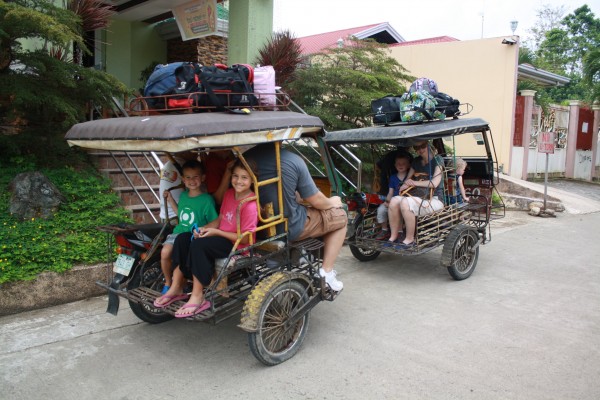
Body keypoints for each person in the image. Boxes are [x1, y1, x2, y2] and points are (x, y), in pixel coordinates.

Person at [154, 158, 258, 318]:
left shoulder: (250, 204)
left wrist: (216, 233)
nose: (238, 181)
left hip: (236, 244)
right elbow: (221, 218)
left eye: (244, 177)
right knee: (183, 238)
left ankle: (198, 296)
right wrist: (205, 228)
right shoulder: (230, 194)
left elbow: (246, 239)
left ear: (252, 179)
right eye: (236, 176)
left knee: (199, 245)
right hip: (220, 238)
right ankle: (177, 287)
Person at [243, 143, 347, 291]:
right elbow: (316, 200)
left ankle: (278, 262)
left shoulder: (246, 157)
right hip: (287, 227)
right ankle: (326, 272)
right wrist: (332, 202)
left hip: (255, 226)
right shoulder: (292, 160)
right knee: (341, 217)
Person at [159, 160, 218, 294]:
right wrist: (170, 199)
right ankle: (168, 282)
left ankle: (180, 284)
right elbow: (181, 214)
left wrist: (203, 231)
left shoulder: (207, 200)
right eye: (188, 177)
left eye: (195, 177)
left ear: (202, 178)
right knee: (164, 253)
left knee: (181, 256)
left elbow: (214, 221)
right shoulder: (184, 195)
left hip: (191, 236)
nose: (192, 181)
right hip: (178, 232)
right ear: (183, 180)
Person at [387, 140, 445, 249]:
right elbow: (408, 179)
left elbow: (434, 183)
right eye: (416, 148)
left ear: (428, 145)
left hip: (435, 199)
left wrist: (414, 182)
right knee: (394, 200)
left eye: (422, 146)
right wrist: (405, 184)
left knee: (405, 202)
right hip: (418, 196)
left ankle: (410, 239)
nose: (420, 150)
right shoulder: (416, 161)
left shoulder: (438, 160)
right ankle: (394, 236)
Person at [375, 152, 412, 240]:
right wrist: (387, 202)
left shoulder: (410, 177)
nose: (400, 165)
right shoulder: (392, 178)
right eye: (398, 164)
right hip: (393, 200)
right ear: (395, 165)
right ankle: (384, 229)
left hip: (405, 201)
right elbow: (390, 192)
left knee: (399, 211)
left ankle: (400, 232)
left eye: (403, 164)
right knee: (381, 210)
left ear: (408, 165)